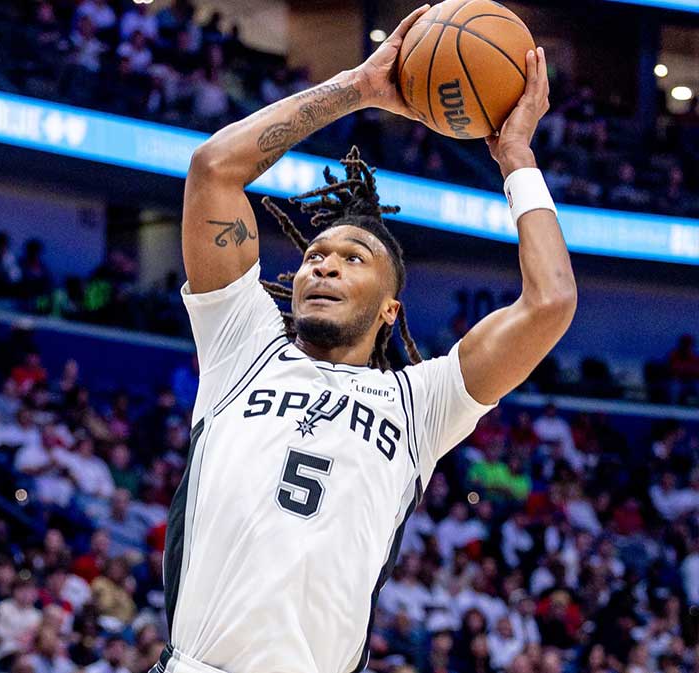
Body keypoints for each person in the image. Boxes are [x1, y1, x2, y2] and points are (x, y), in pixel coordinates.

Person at [160, 8, 575, 673]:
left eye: (352, 258)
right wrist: (356, 87)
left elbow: (550, 302)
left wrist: (517, 159)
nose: (323, 266)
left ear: (390, 310)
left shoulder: (421, 404)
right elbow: (214, 169)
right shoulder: (242, 346)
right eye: (314, 256)